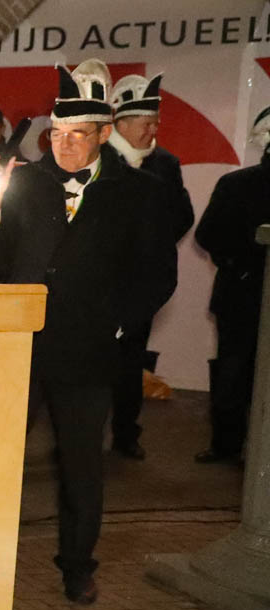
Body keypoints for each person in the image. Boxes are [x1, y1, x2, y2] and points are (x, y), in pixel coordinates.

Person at [0, 58, 176, 605]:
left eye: (76, 135)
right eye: (57, 134)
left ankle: (78, 566)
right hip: (22, 346)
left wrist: (117, 324)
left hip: (88, 351)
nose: (63, 145)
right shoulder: (26, 181)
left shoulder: (137, 192)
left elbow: (158, 274)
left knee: (82, 466)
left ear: (104, 134)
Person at [105, 73, 194, 460]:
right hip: (96, 280)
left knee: (130, 363)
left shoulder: (166, 164)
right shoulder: (97, 157)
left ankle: (126, 434)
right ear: (122, 124)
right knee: (86, 365)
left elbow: (182, 215)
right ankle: (78, 437)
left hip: (138, 285)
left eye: (155, 123)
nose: (153, 130)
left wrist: (151, 245)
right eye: (146, 123)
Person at [195, 112, 270, 464]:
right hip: (240, 294)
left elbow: (208, 235)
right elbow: (208, 235)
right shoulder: (236, 184)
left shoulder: (235, 183)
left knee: (233, 372)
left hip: (238, 292)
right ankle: (232, 446)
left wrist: (235, 263)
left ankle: (227, 446)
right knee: (233, 372)